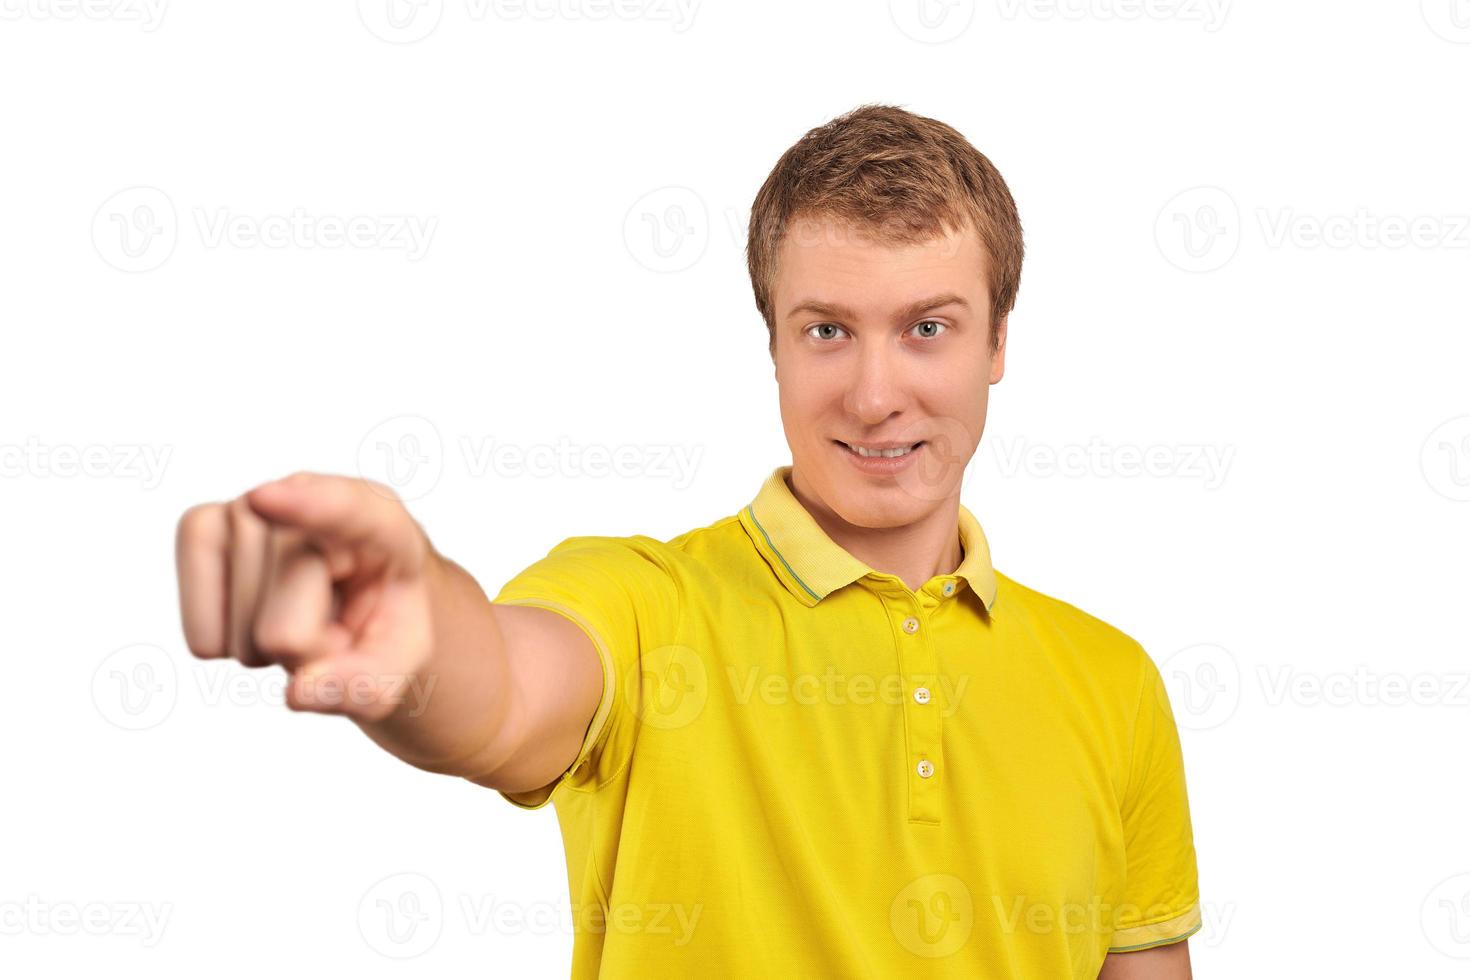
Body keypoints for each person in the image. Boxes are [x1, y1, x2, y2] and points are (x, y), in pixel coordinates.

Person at [175, 103, 1200, 979]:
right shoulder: (644, 599)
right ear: (774, 345)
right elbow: (502, 693)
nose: (876, 395)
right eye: (827, 330)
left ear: (999, 342)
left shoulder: (1113, 681)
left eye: (927, 327)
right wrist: (414, 642)